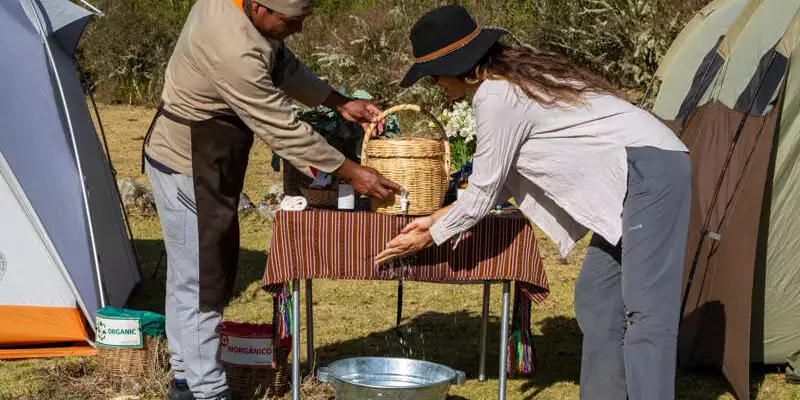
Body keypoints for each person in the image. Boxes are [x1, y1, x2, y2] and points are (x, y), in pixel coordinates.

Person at [376, 5, 692, 400]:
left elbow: (484, 193)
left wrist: (430, 236)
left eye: (433, 75)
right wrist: (439, 217)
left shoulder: (498, 95)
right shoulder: (505, 85)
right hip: (631, 174)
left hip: (651, 169)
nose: (435, 85)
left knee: (647, 309)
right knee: (597, 298)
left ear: (456, 65)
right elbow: (503, 177)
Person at [142, 0, 401, 399]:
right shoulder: (231, 46)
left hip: (207, 161)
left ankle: (184, 381)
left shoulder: (244, 15)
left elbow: (282, 64)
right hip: (186, 164)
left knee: (191, 275)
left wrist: (338, 101)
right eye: (291, 21)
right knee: (201, 280)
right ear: (262, 7)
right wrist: (351, 171)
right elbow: (282, 129)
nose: (296, 29)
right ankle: (206, 390)